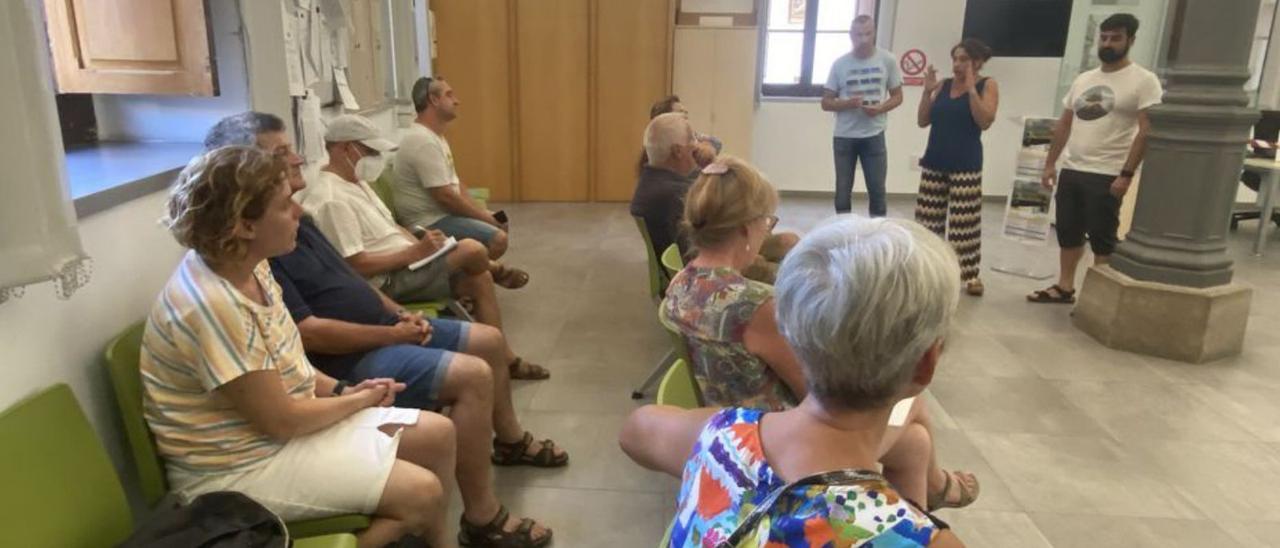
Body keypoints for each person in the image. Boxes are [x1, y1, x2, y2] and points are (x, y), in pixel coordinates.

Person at [141, 145, 454, 547]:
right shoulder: (212, 306)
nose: (299, 213)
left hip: (275, 437)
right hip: (235, 470)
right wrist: (359, 401)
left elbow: (292, 365)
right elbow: (283, 420)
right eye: (286, 204)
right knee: (421, 493)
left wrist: (344, 390)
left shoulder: (251, 266)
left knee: (438, 433)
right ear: (244, 225)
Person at [621, 217, 969, 547]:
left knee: (915, 440)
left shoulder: (721, 437)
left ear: (789, 329)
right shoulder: (926, 540)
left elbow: (634, 432)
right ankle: (940, 485)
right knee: (915, 433)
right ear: (926, 364)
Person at [659, 156, 979, 510]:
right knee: (909, 401)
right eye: (767, 222)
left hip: (730, 427)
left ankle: (932, 490)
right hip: (785, 444)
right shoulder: (756, 306)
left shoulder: (680, 282)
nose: (768, 229)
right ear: (747, 229)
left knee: (915, 442)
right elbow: (818, 390)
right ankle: (934, 492)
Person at [203, 112, 550, 383]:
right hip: (390, 280)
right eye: (282, 154)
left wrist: (416, 255)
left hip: (399, 281)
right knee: (475, 252)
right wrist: (396, 318)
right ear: (345, 148)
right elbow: (352, 273)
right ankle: (496, 288)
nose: (296, 160)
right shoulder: (322, 206)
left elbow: (371, 246)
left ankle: (503, 358)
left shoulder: (352, 188)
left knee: (478, 281)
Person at [1029, 13, 1162, 305]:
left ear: (1131, 40)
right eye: (1104, 37)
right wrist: (1051, 163)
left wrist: (1127, 174)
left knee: (1102, 236)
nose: (1108, 43)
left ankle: (1099, 297)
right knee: (1068, 230)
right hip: (1074, 167)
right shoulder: (1085, 78)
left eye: (1116, 38)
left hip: (1108, 171)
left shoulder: (1144, 80)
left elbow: (1146, 131)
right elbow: (1064, 123)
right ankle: (1065, 287)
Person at [630, 114, 798, 284]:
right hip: (715, 265)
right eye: (692, 138)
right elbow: (708, 243)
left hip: (710, 255)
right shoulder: (676, 195)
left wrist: (710, 164)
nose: (697, 144)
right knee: (785, 262)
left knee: (787, 241)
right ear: (678, 151)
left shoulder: (653, 181)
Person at [394, 77, 520, 268]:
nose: (456, 101)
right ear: (433, 100)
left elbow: (454, 184)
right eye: (449, 95)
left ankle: (475, 277)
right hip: (428, 222)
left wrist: (482, 212)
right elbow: (445, 198)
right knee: (498, 238)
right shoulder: (423, 141)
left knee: (498, 222)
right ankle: (466, 281)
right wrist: (485, 218)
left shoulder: (435, 136)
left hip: (441, 214)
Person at [916, 38, 999, 297]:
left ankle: (970, 274)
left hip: (966, 163)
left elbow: (985, 120)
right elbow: (922, 120)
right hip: (935, 160)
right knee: (928, 221)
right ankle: (929, 269)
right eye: (955, 59)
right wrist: (926, 91)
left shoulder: (988, 85)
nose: (957, 64)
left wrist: (972, 89)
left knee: (965, 223)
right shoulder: (944, 86)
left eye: (964, 59)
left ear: (977, 62)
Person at [822, 14, 904, 217]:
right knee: (842, 191)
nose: (863, 39)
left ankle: (878, 235)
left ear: (874, 33)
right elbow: (825, 102)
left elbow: (898, 96)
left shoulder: (887, 60)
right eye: (858, 35)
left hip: (874, 134)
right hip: (844, 136)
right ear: (851, 35)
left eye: (868, 34)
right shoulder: (840, 64)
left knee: (877, 191)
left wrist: (881, 108)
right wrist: (847, 103)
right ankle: (843, 232)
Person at [639, 94, 721, 171]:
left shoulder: (692, 138)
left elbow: (717, 143)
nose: (686, 118)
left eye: (686, 114)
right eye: (681, 113)